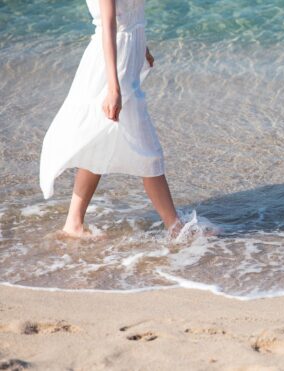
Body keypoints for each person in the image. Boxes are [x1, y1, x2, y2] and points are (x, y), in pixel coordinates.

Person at [39, 0, 182, 238]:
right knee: (149, 151)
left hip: (126, 61)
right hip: (112, 70)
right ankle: (176, 228)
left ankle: (73, 224)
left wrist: (143, 48)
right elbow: (108, 27)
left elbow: (130, 15)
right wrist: (113, 89)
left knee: (99, 139)